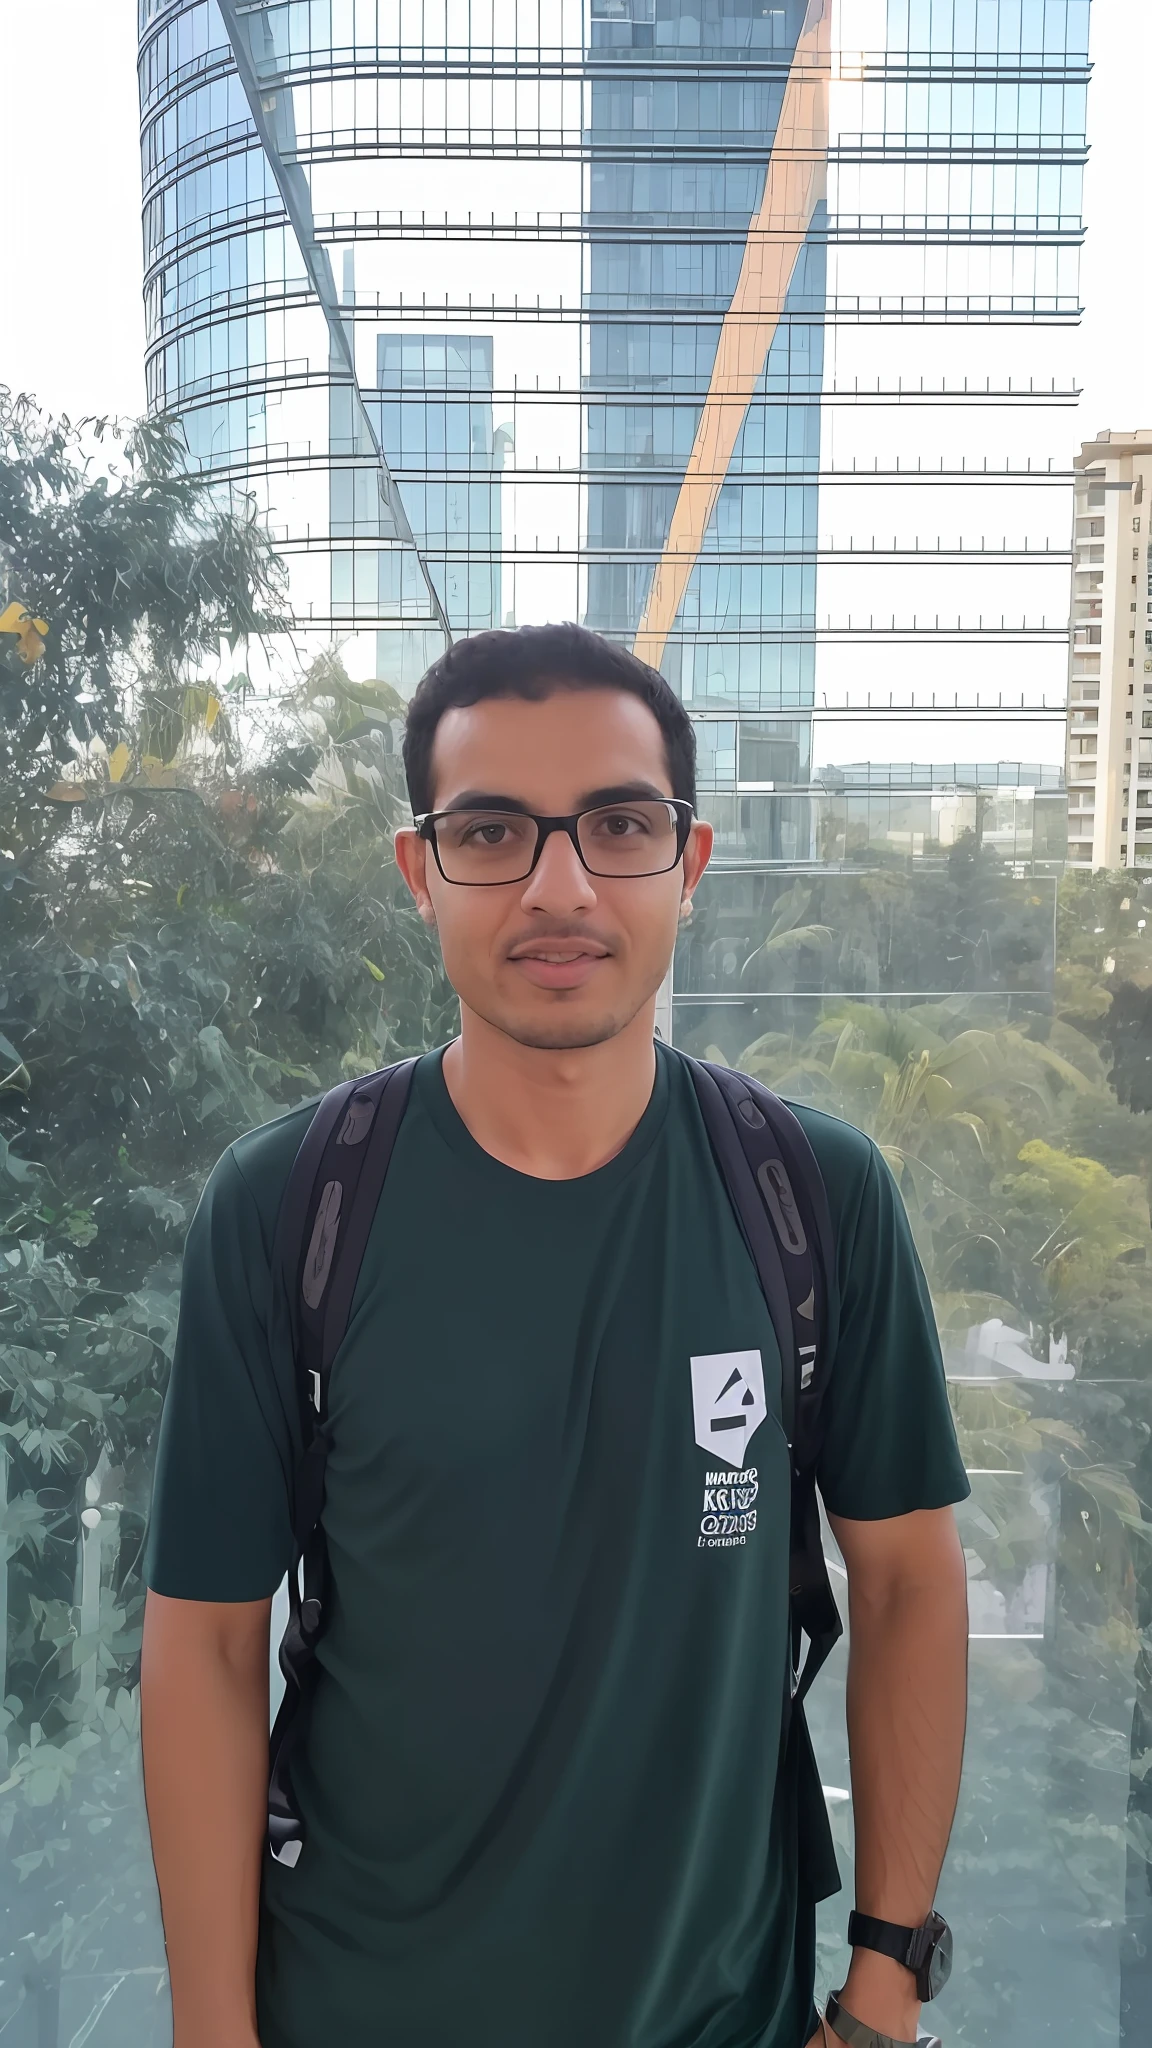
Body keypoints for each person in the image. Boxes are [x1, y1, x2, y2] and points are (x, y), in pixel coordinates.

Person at [141, 623, 970, 2048]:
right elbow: (208, 1646)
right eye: (492, 833)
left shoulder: (813, 1199)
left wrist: (884, 1986)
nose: (560, 887)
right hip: (359, 2003)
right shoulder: (289, 1205)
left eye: (619, 825)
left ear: (688, 865)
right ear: (422, 873)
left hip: (725, 2012)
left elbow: (904, 1583)